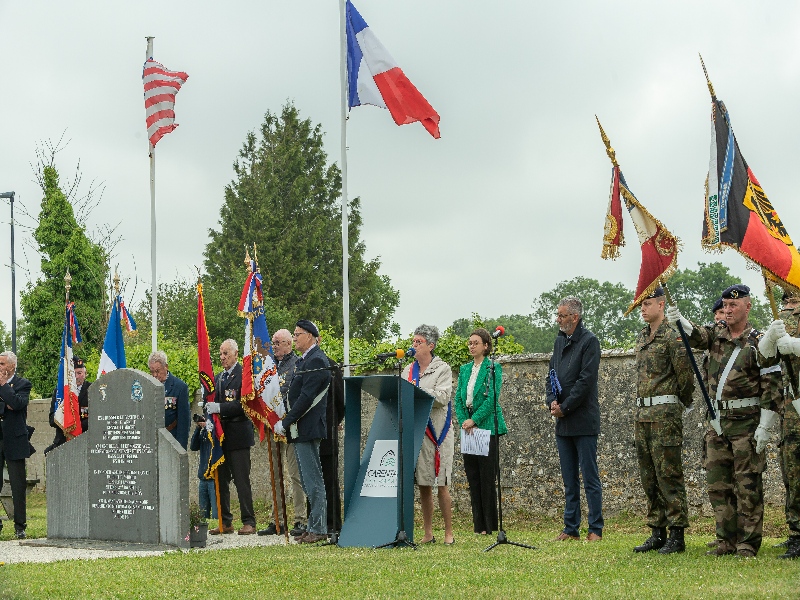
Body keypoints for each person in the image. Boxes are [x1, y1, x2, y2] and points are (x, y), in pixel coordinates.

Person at [667, 284, 782, 557]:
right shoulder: (717, 335)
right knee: (718, 486)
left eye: (734, 306)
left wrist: (766, 424)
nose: (728, 311)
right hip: (718, 422)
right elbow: (697, 336)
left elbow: (771, 383)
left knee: (747, 485)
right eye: (726, 306)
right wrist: (679, 320)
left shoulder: (759, 340)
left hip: (747, 422)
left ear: (747, 307)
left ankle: (747, 543)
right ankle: (725, 541)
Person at [631, 287, 694, 554]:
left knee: (669, 475)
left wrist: (680, 404)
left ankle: (676, 534)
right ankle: (657, 530)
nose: (643, 308)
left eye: (647, 303)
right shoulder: (642, 336)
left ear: (661, 304)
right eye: (641, 305)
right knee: (649, 476)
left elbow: (685, 376)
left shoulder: (673, 335)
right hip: (643, 416)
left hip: (665, 417)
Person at [545, 296, 604, 542]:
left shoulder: (590, 342)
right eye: (557, 315)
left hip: (583, 419)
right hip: (563, 422)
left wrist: (565, 407)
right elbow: (550, 375)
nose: (558, 320)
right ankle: (571, 528)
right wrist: (551, 401)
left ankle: (595, 529)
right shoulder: (559, 342)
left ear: (575, 317)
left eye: (561, 316)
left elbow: (585, 381)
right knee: (569, 479)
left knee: (589, 477)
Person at [274, 320, 331, 544]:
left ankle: (319, 527)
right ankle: (314, 525)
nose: (295, 338)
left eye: (298, 334)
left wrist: (286, 421)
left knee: (312, 479)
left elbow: (306, 398)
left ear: (310, 336)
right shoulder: (305, 360)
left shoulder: (316, 359)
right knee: (307, 480)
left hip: (307, 427)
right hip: (301, 428)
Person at [403, 325, 455, 544]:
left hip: (439, 434)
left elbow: (442, 397)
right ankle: (428, 533)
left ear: (430, 345)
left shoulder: (442, 369)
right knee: (424, 484)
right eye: (413, 341)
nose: (414, 345)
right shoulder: (408, 369)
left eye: (419, 342)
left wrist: (417, 392)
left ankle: (449, 533)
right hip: (418, 432)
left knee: (441, 484)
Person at [454, 327, 505, 538]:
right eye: (470, 343)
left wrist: (475, 420)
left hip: (487, 428)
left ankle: (490, 523)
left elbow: (492, 398)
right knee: (473, 476)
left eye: (476, 342)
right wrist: (464, 421)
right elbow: (458, 398)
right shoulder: (465, 369)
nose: (471, 346)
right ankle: (479, 525)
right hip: (468, 429)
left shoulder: (493, 367)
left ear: (486, 345)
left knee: (486, 477)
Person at [257, 328, 307, 537]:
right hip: (272, 426)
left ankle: (300, 519)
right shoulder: (270, 366)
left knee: (295, 474)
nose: (274, 346)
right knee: (275, 475)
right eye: (273, 343)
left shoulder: (298, 365)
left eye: (278, 343)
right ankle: (276, 519)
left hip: (291, 426)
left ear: (288, 343)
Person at [205, 339, 257, 535]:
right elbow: (213, 403)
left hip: (239, 435)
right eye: (220, 354)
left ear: (236, 353)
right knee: (222, 479)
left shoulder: (244, 376)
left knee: (241, 480)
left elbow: (244, 405)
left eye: (226, 353)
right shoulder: (218, 378)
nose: (222, 357)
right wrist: (208, 417)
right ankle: (225, 521)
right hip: (222, 436)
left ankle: (249, 521)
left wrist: (220, 408)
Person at [763, 288, 800, 559]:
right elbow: (764, 357)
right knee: (792, 472)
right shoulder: (785, 320)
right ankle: (797, 533)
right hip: (791, 408)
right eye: (786, 299)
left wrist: (797, 345)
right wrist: (771, 336)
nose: (789, 304)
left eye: (794, 298)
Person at [0, 351, 32, 539]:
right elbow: (10, 404)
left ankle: (20, 526)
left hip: (15, 438)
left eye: (2, 364)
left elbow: (18, 404)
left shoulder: (23, 384)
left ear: (11, 366)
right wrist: (7, 404)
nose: (0, 367)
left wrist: (4, 387)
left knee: (17, 484)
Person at [320, 347, 345, 535]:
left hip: (327, 430)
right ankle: (316, 523)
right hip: (308, 431)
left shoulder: (330, 366)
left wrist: (334, 422)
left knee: (329, 479)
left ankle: (333, 524)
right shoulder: (303, 364)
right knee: (312, 480)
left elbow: (339, 401)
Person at [45, 356, 91, 455]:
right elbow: (52, 419)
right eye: (73, 374)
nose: (77, 377)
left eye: (79, 373)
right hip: (62, 442)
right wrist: (66, 422)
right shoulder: (60, 392)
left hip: (85, 441)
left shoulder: (92, 390)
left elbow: (95, 417)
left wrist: (75, 427)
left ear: (85, 374)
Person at [148, 350, 190, 450]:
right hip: (152, 441)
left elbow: (184, 421)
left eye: (157, 371)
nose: (155, 375)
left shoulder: (179, 387)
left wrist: (180, 447)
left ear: (166, 367)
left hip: (171, 438)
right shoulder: (148, 386)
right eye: (152, 371)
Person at [189, 416, 218, 520]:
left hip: (213, 477)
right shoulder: (203, 433)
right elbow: (193, 446)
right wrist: (198, 429)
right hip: (203, 477)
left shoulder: (215, 432)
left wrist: (209, 427)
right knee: (202, 513)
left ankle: (217, 526)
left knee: (216, 512)